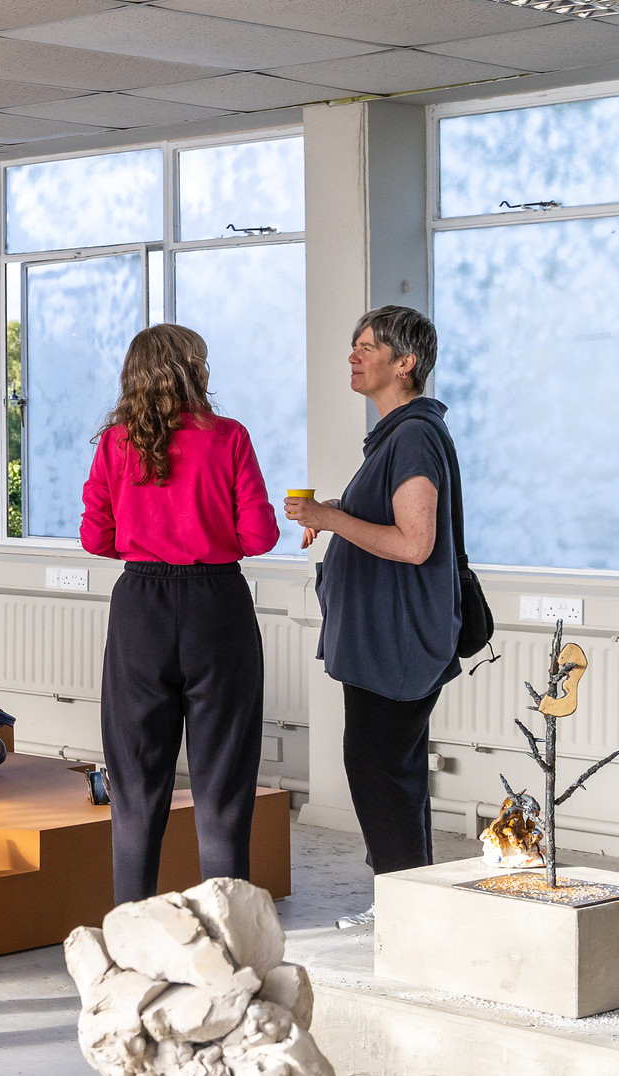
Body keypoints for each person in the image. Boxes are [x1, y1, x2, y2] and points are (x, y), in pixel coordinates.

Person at [80, 325, 280, 906]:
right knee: (223, 783)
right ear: (193, 369)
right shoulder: (229, 437)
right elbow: (259, 536)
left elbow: (95, 537)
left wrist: (148, 535)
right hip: (218, 607)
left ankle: (130, 929)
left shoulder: (115, 442)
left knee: (135, 785)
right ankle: (227, 931)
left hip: (140, 608)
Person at [286, 306, 460, 927]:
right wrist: (339, 511)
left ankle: (401, 910)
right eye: (353, 345)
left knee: (378, 769)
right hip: (387, 637)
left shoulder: (412, 436)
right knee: (391, 771)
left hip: (397, 640)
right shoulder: (399, 434)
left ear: (404, 362)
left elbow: (415, 544)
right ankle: (411, 904)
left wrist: (330, 519)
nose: (353, 356)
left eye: (366, 347)